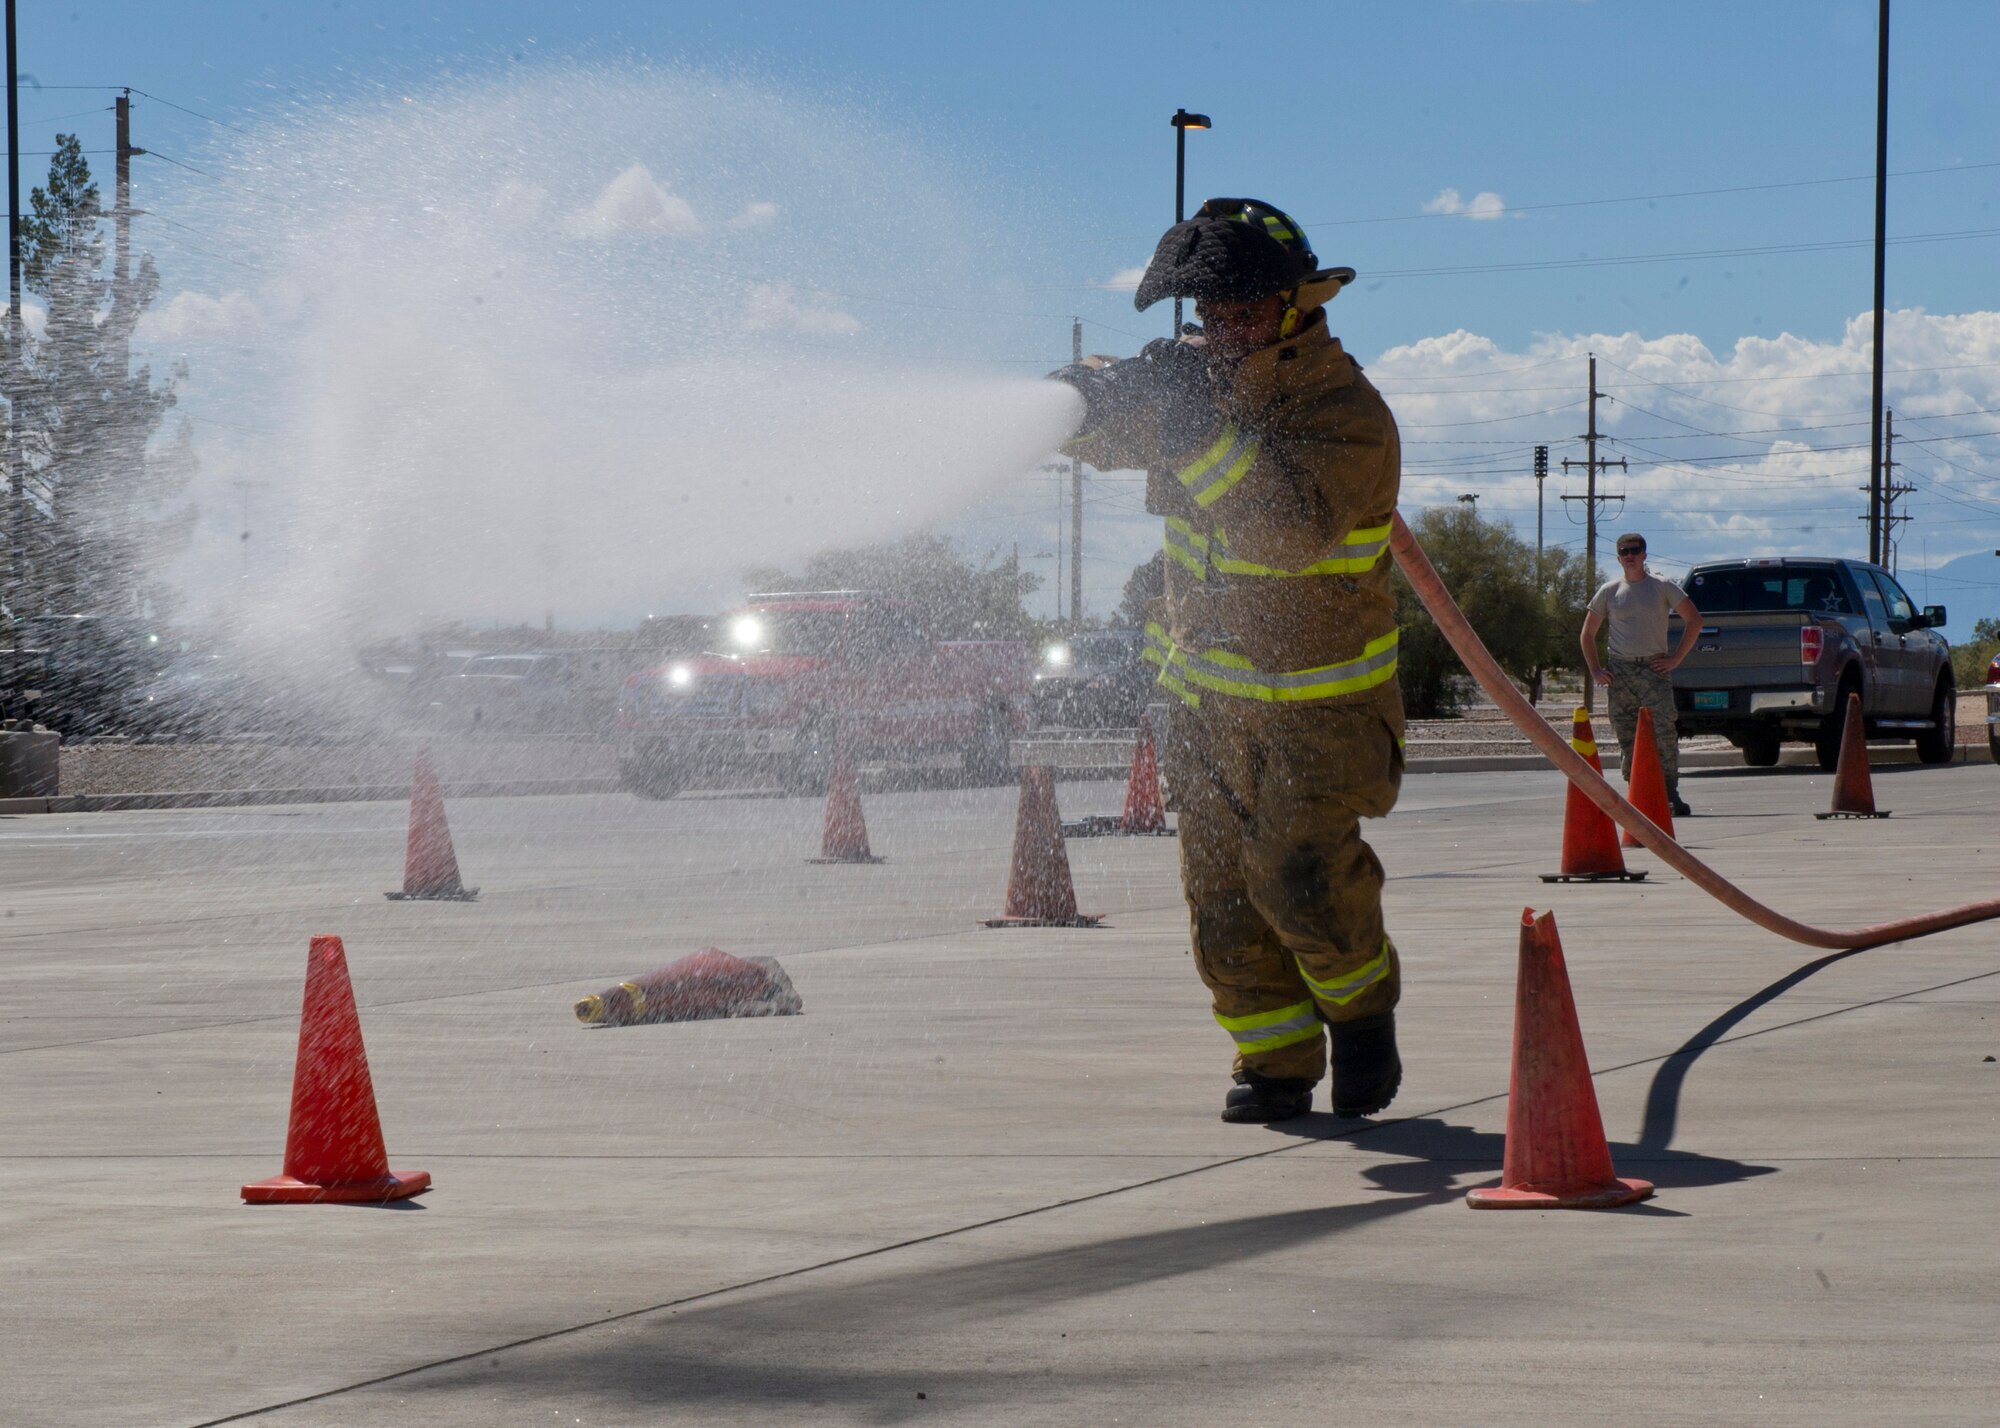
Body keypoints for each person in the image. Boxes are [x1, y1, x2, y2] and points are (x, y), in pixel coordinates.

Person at [1050, 198, 1403, 1123]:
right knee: (1221, 903)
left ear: (1296, 307)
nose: (1223, 332)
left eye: (1242, 313)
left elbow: (1283, 526)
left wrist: (1189, 430)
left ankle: (1364, 1021)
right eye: (1208, 317)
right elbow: (1100, 439)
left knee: (1299, 879)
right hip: (1204, 704)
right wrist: (1087, 397)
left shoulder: (1350, 417)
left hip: (1322, 711)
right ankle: (1275, 1063)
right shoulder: (1204, 393)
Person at [1579, 532, 1701, 817]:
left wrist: (1675, 659)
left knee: (1663, 733)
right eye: (1624, 551)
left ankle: (1669, 793)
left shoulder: (1662, 587)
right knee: (1627, 735)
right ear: (1619, 557)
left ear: (1645, 554)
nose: (1630, 555)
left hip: (1654, 669)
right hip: (1620, 672)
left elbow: (1694, 620)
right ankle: (1637, 794)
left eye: (1635, 550)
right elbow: (1587, 633)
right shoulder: (1609, 591)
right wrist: (1596, 670)